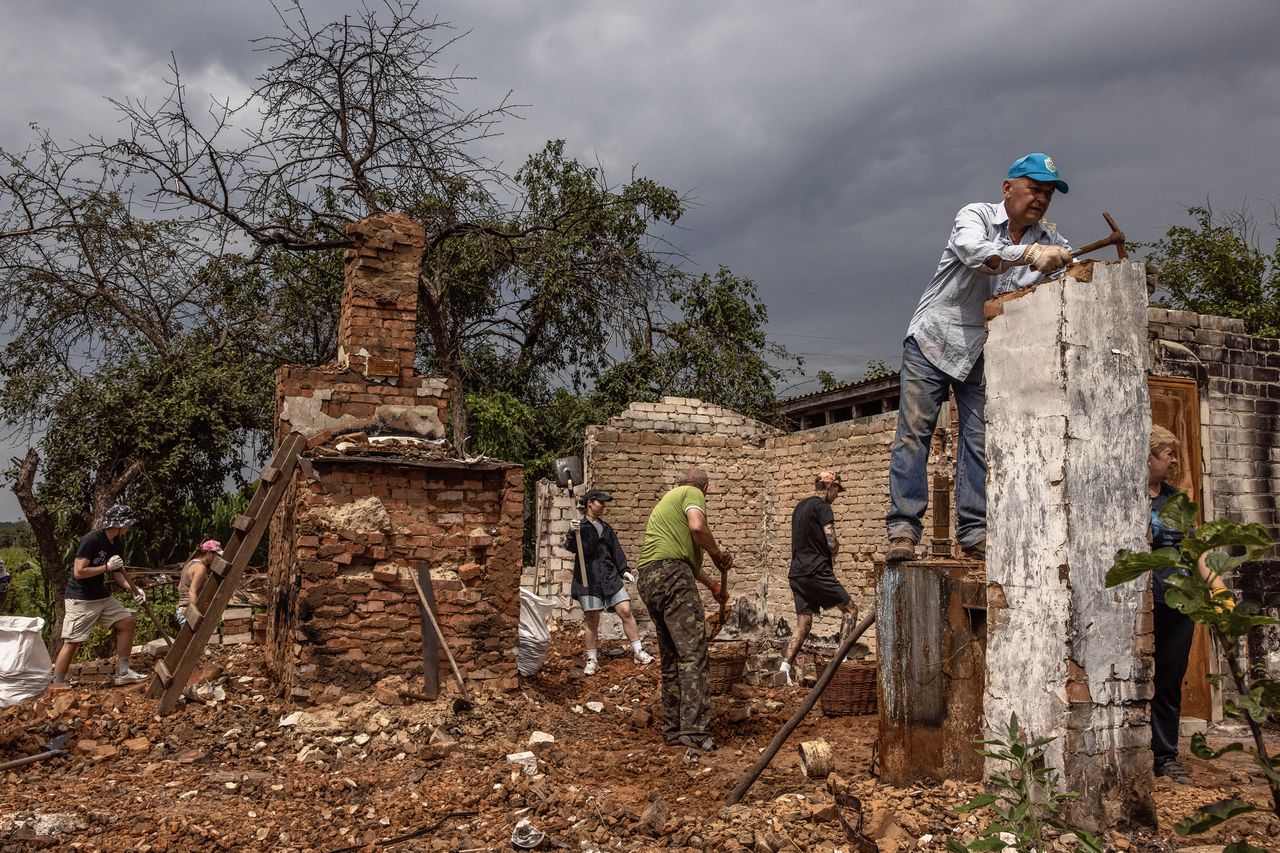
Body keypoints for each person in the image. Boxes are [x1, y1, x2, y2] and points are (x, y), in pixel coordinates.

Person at [887, 153, 1073, 563]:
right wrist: (1027, 256)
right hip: (934, 339)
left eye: (1048, 193)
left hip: (982, 351)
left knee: (979, 440)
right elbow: (977, 254)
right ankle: (903, 529)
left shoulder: (1052, 242)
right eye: (1034, 189)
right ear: (1009, 188)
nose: (1041, 199)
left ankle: (974, 532)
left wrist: (1086, 270)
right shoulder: (975, 216)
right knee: (914, 433)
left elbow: (1071, 276)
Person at [1147, 425, 1233, 783]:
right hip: (1137, 607)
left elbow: (1199, 551)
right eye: (1169, 455)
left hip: (1177, 605)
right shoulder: (1122, 497)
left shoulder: (1175, 501)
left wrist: (1219, 589)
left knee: (1169, 678)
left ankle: (1164, 755)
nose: (1174, 461)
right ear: (1149, 458)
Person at [635, 468, 734, 752]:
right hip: (672, 575)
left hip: (650, 578)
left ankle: (674, 729)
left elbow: (681, 557)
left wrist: (712, 584)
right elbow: (697, 527)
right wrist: (718, 554)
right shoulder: (692, 494)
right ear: (705, 488)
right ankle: (695, 731)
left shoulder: (667, 502)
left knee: (673, 656)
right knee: (693, 652)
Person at [51, 504, 148, 685]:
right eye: (127, 524)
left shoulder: (116, 543)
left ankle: (123, 672)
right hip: (81, 598)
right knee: (73, 642)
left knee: (127, 621)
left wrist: (133, 589)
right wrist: (106, 567)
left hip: (100, 596)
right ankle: (56, 684)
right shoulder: (92, 540)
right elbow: (78, 572)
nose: (129, 528)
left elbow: (118, 573)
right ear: (119, 524)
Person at [781, 471, 858, 686]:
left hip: (796, 573)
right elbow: (831, 541)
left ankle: (784, 668)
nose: (837, 495)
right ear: (830, 487)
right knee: (851, 610)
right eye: (837, 491)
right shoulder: (823, 507)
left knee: (803, 622)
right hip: (816, 571)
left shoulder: (799, 507)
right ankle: (839, 665)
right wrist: (835, 549)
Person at [565, 489, 654, 674]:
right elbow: (571, 548)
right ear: (590, 503)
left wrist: (624, 571)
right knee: (592, 619)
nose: (604, 506)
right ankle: (592, 659)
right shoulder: (579, 527)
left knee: (626, 610)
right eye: (601, 502)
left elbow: (616, 551)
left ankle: (638, 650)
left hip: (610, 576)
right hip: (587, 579)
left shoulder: (606, 528)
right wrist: (573, 533)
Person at [176, 539, 223, 628]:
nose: (219, 558)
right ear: (210, 553)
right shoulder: (200, 568)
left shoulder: (189, 564)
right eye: (217, 555)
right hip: (188, 611)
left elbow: (179, 587)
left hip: (182, 609)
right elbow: (192, 591)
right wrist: (196, 616)